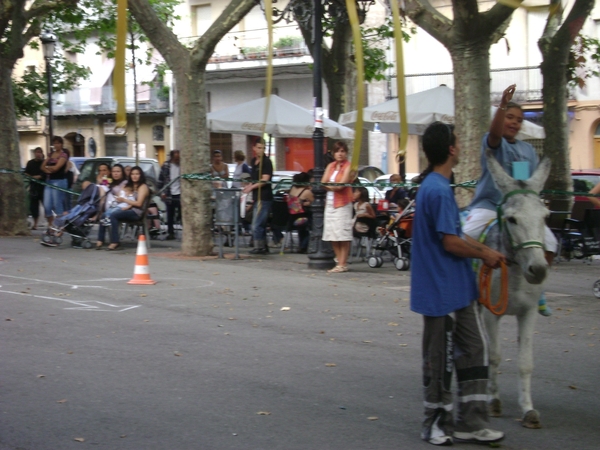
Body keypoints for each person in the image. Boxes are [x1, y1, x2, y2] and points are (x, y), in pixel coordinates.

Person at [411, 122, 506, 446]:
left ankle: (473, 421)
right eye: (457, 141)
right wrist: (484, 252)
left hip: (457, 288)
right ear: (450, 149)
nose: (461, 146)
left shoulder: (441, 187)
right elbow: (451, 242)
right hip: (439, 292)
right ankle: (434, 422)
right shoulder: (436, 190)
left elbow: (455, 235)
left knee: (474, 350)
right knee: (440, 358)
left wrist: (485, 252)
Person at [463, 84, 558, 316]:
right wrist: (503, 104)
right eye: (510, 117)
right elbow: (495, 134)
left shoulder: (528, 151)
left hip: (518, 211)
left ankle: (537, 289)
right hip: (488, 208)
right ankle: (469, 287)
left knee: (551, 243)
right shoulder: (494, 142)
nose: (514, 122)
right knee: (467, 236)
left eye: (519, 120)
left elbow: (527, 188)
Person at [96, 166, 150, 251]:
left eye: (137, 174)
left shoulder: (142, 187)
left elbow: (139, 204)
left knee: (114, 215)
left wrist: (125, 200)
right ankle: (100, 240)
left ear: (141, 175)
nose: (134, 176)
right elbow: (121, 195)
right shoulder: (130, 185)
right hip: (128, 208)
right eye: (132, 174)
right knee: (103, 215)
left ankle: (115, 242)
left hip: (136, 212)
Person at [322, 141, 355, 273]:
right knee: (332, 234)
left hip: (343, 203)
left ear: (346, 153)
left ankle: (342, 263)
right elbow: (322, 182)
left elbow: (341, 185)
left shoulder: (348, 166)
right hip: (330, 203)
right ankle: (339, 261)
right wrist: (333, 186)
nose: (340, 154)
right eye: (337, 151)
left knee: (342, 234)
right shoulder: (330, 166)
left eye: (342, 151)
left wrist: (330, 186)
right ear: (333, 153)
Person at [243, 138, 273, 255]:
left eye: (263, 148)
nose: (261, 150)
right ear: (254, 148)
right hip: (257, 196)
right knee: (259, 222)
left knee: (257, 223)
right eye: (259, 147)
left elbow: (265, 180)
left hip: (265, 197)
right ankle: (263, 246)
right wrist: (249, 186)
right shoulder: (253, 161)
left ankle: (259, 247)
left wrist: (251, 187)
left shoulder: (266, 162)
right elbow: (255, 179)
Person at [41, 136, 69, 230]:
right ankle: (51, 224)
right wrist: (49, 169)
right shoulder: (50, 154)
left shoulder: (63, 155)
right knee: (47, 204)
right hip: (49, 181)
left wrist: (47, 169)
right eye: (55, 143)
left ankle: (60, 225)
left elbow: (56, 168)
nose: (56, 145)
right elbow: (42, 166)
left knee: (58, 203)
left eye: (58, 143)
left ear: (61, 144)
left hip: (59, 181)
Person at [287, 172, 314, 253]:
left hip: (292, 218)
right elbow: (315, 202)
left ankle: (302, 245)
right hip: (302, 218)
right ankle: (303, 246)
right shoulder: (306, 192)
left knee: (302, 227)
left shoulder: (292, 189)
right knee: (313, 223)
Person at [158, 150, 181, 240]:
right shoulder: (166, 166)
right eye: (175, 158)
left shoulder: (183, 166)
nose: (177, 160)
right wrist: (162, 192)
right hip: (169, 193)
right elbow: (160, 180)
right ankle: (170, 232)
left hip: (180, 193)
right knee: (170, 214)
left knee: (182, 213)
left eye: (178, 158)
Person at [24, 147, 46, 230]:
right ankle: (35, 224)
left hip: (43, 187)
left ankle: (51, 224)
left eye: (40, 152)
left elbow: (46, 174)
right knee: (34, 207)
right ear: (34, 153)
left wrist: (39, 177)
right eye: (37, 152)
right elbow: (26, 173)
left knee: (46, 205)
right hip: (33, 187)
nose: (38, 154)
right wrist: (31, 177)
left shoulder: (44, 162)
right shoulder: (30, 163)